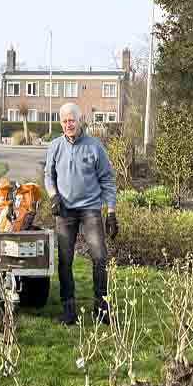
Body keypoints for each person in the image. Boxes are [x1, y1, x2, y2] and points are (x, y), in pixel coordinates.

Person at [43, 102, 118, 326]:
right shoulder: (55, 146)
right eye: (64, 121)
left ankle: (102, 308)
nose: (68, 125)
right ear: (61, 123)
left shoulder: (95, 147)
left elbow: (108, 179)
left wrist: (111, 212)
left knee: (100, 258)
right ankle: (69, 309)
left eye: (72, 120)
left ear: (80, 120)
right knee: (65, 260)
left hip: (90, 209)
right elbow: (48, 175)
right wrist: (53, 196)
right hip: (65, 210)